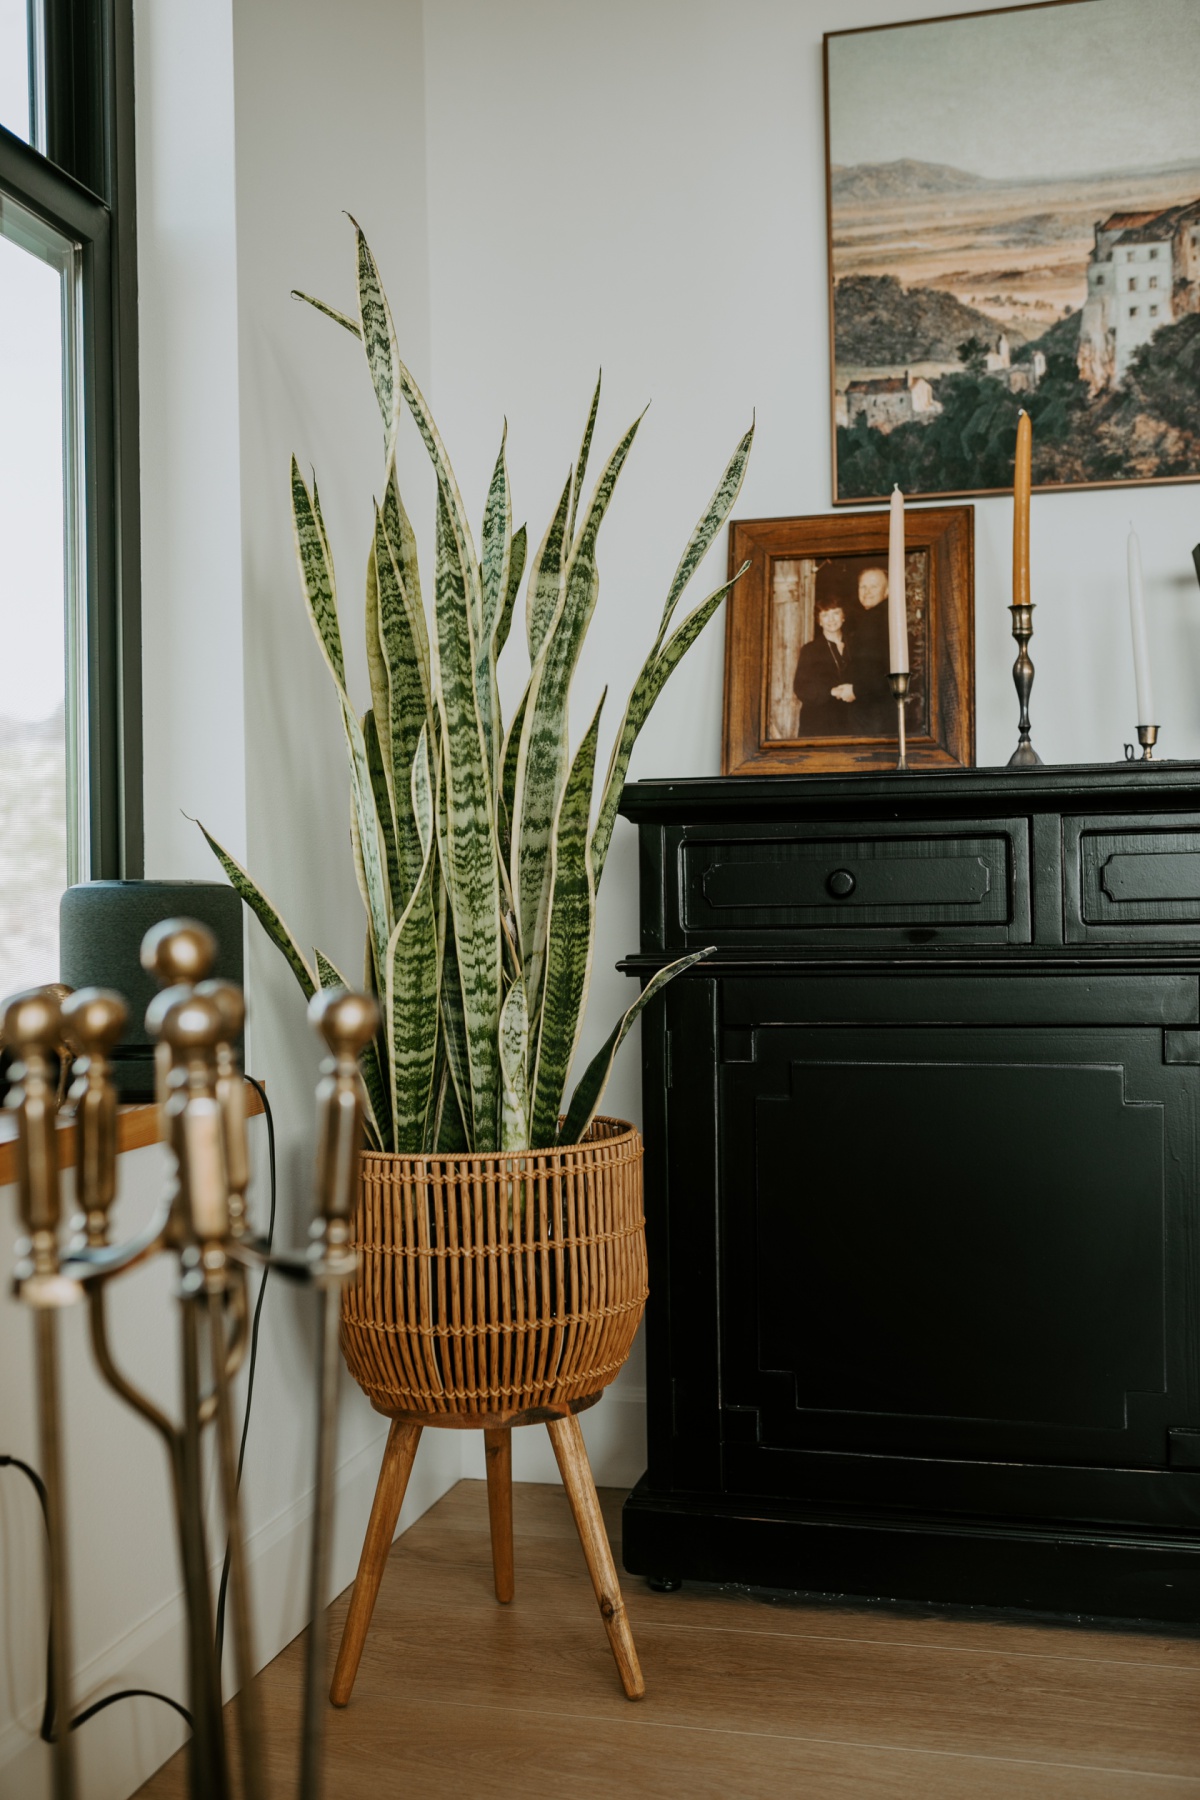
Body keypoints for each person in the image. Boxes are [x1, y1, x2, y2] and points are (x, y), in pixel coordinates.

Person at [844, 564, 896, 736]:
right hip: (877, 706)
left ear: (887, 591)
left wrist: (856, 690)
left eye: (874, 586)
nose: (867, 591)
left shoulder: (875, 619)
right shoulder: (877, 616)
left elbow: (878, 667)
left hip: (874, 710)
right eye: (863, 586)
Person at [793, 600, 856, 735]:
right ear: (819, 621)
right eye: (825, 615)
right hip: (820, 722)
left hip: (852, 721)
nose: (831, 619)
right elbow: (801, 687)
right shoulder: (810, 650)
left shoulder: (856, 646)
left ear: (843, 617)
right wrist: (831, 692)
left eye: (836, 613)